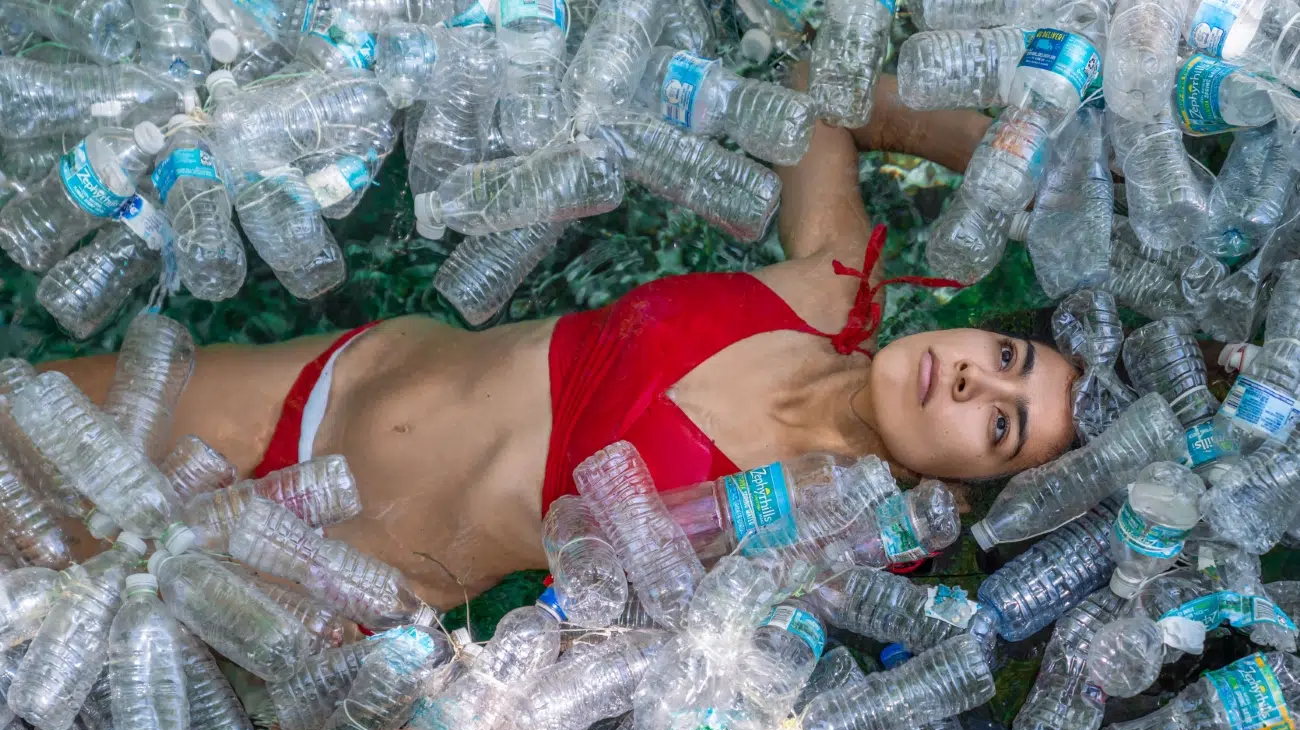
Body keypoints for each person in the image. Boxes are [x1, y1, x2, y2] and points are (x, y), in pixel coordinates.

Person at [47, 74, 1079, 613]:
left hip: (322, 563)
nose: (974, 379)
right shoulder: (829, 288)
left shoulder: (804, 541)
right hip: (318, 383)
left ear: (964, 490)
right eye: (1008, 359)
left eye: (998, 425)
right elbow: (818, 95)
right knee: (21, 403)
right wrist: (1020, 168)